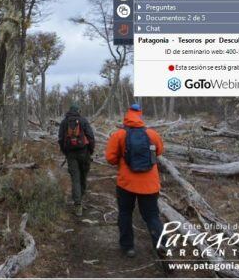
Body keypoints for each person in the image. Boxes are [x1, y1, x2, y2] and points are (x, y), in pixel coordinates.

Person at [105, 104, 164, 259]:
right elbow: (159, 151)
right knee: (152, 216)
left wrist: (122, 160)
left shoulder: (119, 135)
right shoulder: (152, 134)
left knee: (125, 213)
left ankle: (128, 247)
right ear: (140, 116)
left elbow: (110, 159)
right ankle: (161, 244)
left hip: (126, 184)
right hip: (150, 184)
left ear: (126, 117)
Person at [57, 103, 95, 216]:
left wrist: (65, 152)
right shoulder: (83, 120)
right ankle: (80, 199)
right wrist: (90, 151)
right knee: (83, 176)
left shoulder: (64, 122)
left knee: (75, 179)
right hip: (84, 153)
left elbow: (60, 139)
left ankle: (78, 205)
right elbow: (91, 137)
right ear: (78, 110)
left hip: (71, 154)